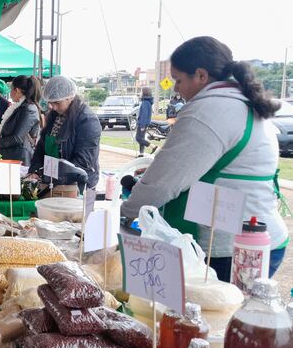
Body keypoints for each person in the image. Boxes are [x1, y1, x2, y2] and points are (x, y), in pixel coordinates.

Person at [121, 36, 287, 278]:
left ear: (201, 75)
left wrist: (125, 213)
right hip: (255, 240)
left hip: (229, 250)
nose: (175, 88)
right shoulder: (236, 101)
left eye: (178, 80)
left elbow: (162, 183)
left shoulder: (209, 111)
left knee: (207, 314)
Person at [28, 75, 101, 188]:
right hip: (53, 181)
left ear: (70, 97)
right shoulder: (55, 116)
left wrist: (46, 174)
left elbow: (82, 162)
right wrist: (35, 171)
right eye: (50, 103)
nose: (52, 107)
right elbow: (41, 148)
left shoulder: (87, 121)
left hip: (77, 184)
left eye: (57, 103)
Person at [0, 75, 42, 165]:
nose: (10, 92)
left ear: (16, 90)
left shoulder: (29, 108)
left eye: (11, 89)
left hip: (19, 158)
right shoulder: (19, 107)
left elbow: (17, 138)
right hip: (11, 155)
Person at [136, 87, 153, 155]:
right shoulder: (147, 102)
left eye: (141, 92)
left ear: (144, 93)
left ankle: (153, 147)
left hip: (142, 123)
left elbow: (144, 115)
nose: (140, 93)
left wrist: (142, 125)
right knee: (141, 138)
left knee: (138, 138)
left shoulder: (145, 103)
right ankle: (141, 153)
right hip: (144, 123)